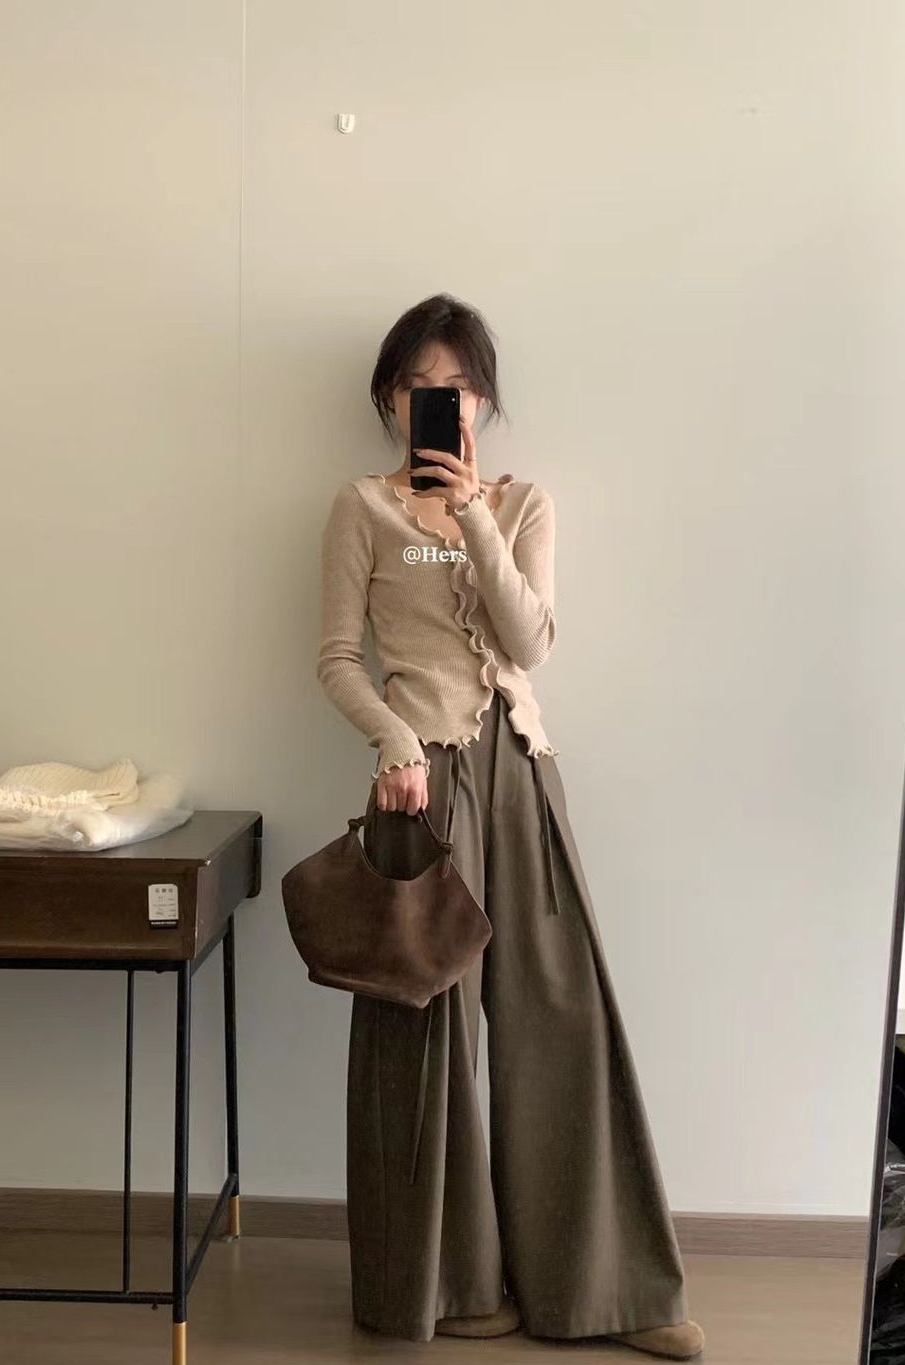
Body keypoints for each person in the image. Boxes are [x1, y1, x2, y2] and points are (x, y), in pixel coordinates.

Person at [316, 292, 704, 1358]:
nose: (435, 402)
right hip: (419, 783)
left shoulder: (525, 505)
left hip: (523, 773)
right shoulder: (360, 508)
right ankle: (442, 1289)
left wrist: (473, 514)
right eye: (416, 386)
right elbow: (337, 659)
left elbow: (528, 644)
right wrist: (394, 741)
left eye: (455, 387)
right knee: (424, 1029)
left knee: (560, 1016)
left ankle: (607, 1292)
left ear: (481, 401)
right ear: (391, 397)